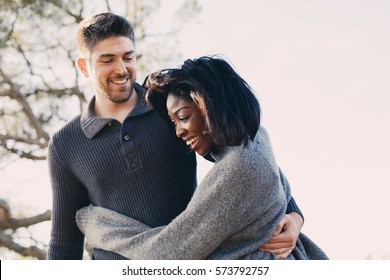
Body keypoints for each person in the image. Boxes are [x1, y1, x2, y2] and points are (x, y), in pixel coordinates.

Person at [47, 12, 304, 260]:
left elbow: (244, 149)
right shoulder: (65, 145)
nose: (121, 69)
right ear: (84, 66)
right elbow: (64, 243)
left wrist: (293, 216)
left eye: (128, 57)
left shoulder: (167, 107)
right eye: (107, 60)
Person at [76, 56, 328, 260]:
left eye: (184, 117)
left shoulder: (235, 170)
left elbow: (167, 253)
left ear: (211, 109)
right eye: (174, 122)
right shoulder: (256, 139)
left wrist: (93, 222)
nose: (178, 131)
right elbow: (276, 182)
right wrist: (295, 216)